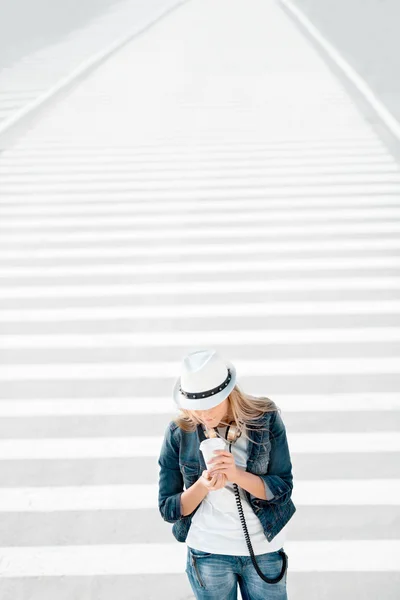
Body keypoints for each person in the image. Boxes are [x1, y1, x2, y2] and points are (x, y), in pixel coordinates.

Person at [158, 349, 296, 599]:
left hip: (263, 550)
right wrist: (202, 484)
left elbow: (282, 489)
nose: (203, 415)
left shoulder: (265, 419)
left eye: (210, 405)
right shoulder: (179, 432)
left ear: (229, 394)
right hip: (208, 552)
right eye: (195, 407)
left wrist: (235, 474)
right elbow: (168, 509)